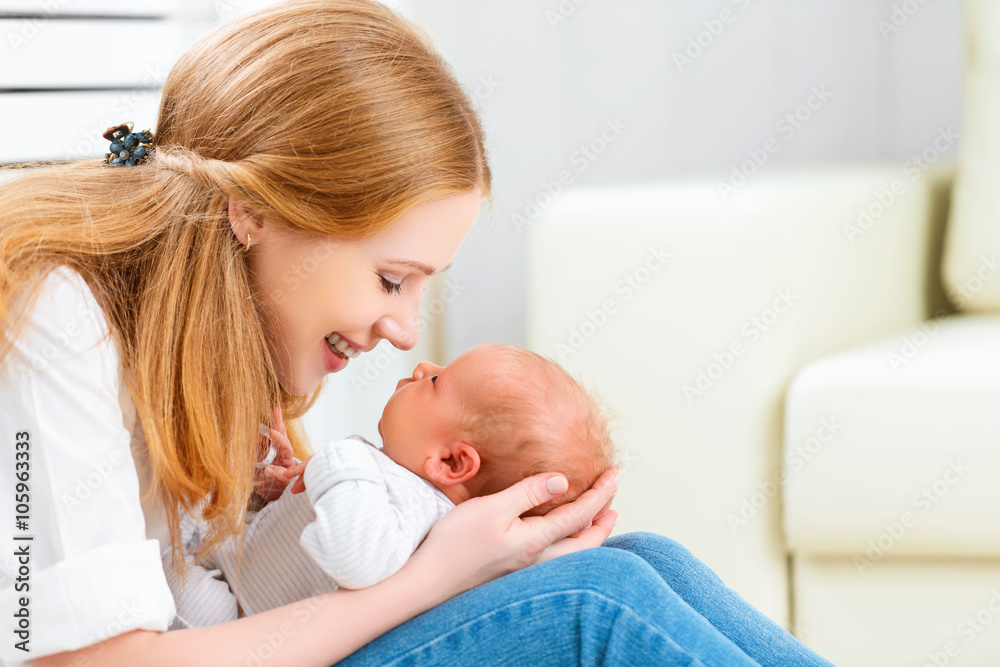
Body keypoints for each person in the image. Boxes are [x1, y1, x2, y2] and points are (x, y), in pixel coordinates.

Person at [0, 1, 834, 665]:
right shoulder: (60, 317)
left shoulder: (213, 354)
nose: (403, 330)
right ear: (252, 210)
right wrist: (438, 575)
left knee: (644, 563)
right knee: (597, 604)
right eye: (392, 279)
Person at [163, 343, 617, 621]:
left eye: (437, 381)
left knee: (173, 576)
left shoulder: (417, 506)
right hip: (244, 570)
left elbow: (356, 560)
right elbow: (321, 537)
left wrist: (336, 460)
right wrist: (284, 494)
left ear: (451, 462)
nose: (421, 367)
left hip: (241, 615)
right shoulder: (401, 490)